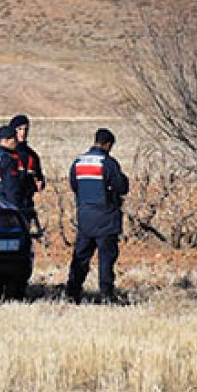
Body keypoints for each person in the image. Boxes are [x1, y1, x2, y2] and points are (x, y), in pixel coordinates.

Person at [65, 128, 129, 305]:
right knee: (106, 258)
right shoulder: (108, 163)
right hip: (106, 217)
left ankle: (72, 292)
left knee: (81, 256)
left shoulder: (78, 162)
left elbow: (74, 185)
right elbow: (121, 186)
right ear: (108, 144)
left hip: (85, 217)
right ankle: (106, 295)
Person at [8, 114, 45, 238]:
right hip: (7, 204)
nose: (23, 133)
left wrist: (39, 184)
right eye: (19, 129)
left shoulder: (32, 156)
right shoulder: (5, 153)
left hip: (26, 205)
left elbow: (39, 178)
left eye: (26, 129)